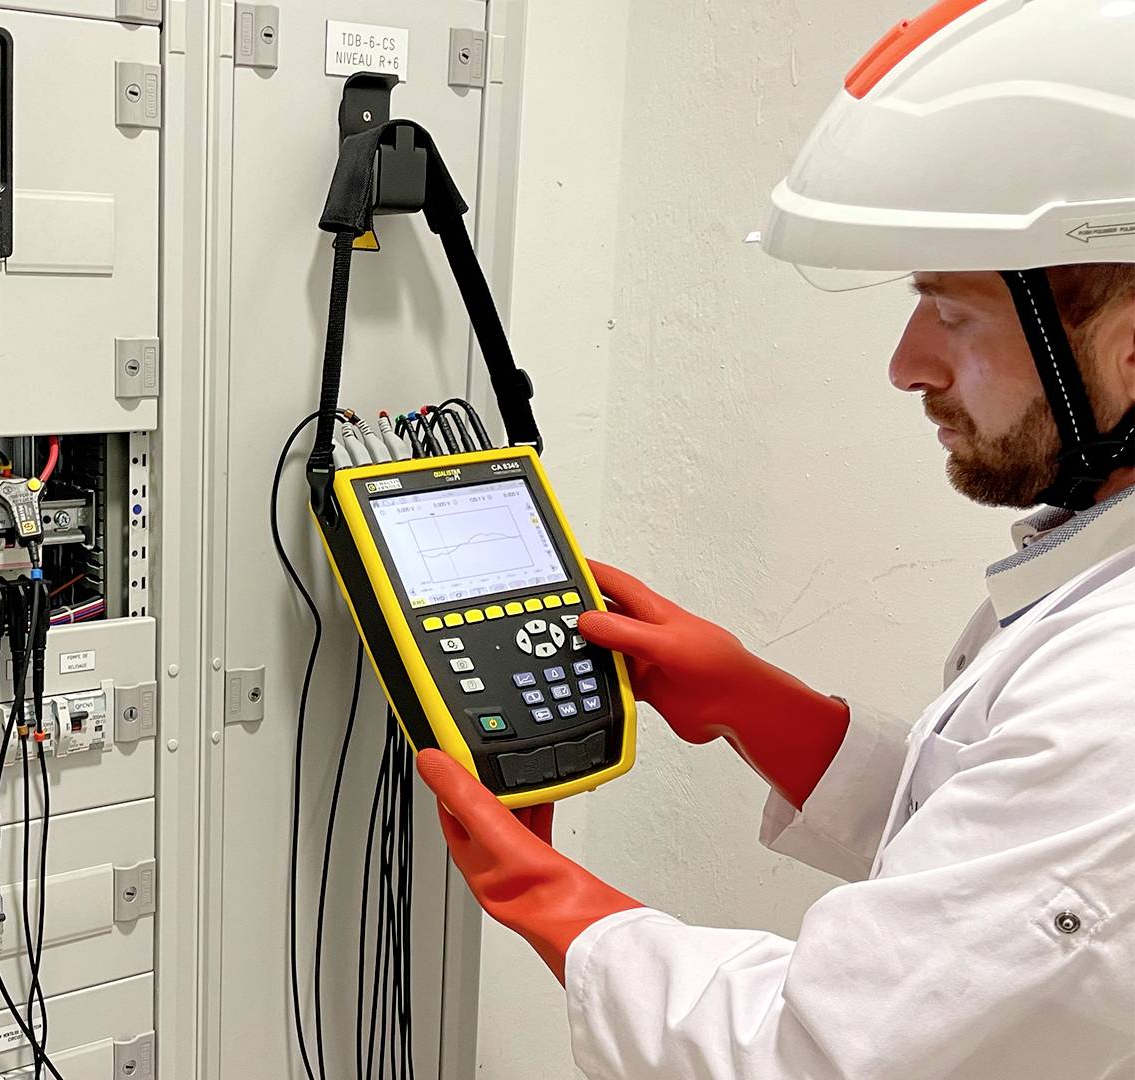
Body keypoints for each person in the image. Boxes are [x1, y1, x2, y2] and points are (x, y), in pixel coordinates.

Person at [416, 1, 1135, 1076]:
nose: (906, 364)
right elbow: (991, 852)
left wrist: (552, 901)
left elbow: (818, 1056)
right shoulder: (1093, 582)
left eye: (955, 313)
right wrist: (769, 712)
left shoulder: (1113, 697)